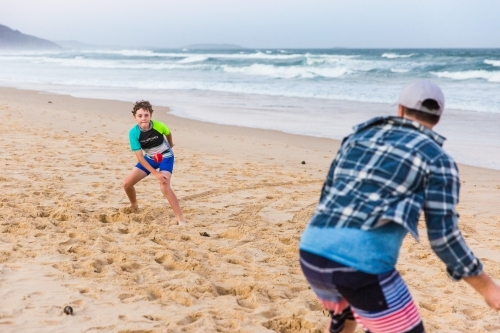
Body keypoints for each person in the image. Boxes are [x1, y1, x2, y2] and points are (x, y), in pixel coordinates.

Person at [299, 80, 500, 333]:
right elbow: (444, 239)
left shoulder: (356, 139)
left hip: (312, 251)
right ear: (438, 118)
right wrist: (489, 288)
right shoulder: (438, 161)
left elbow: (326, 197)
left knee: (347, 315)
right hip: (360, 265)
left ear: (401, 110)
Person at [122, 100, 186, 225]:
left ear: (151, 115)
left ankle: (180, 218)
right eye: (140, 116)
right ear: (135, 117)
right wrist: (155, 173)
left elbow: (168, 133)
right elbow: (140, 157)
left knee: (164, 185)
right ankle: (134, 205)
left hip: (165, 156)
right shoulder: (134, 133)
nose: (143, 118)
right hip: (149, 158)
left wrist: (170, 144)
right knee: (126, 184)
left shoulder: (159, 125)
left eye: (146, 115)